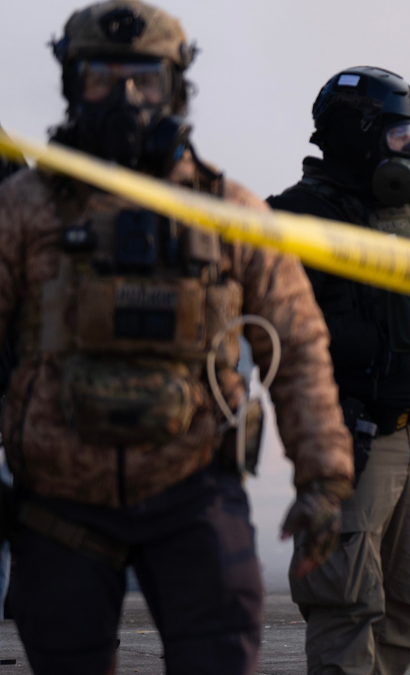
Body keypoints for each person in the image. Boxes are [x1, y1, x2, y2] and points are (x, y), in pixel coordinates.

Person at [0, 2, 354, 672]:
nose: (126, 98)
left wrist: (324, 480)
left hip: (194, 492)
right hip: (59, 500)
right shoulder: (23, 208)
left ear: (175, 87)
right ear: (73, 85)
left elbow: (299, 350)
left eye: (145, 79)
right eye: (102, 79)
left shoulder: (229, 213)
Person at [267, 67, 410, 675]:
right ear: (355, 135)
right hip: (351, 438)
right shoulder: (298, 217)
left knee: (409, 597)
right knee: (346, 599)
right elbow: (297, 333)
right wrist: (389, 365)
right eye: (401, 136)